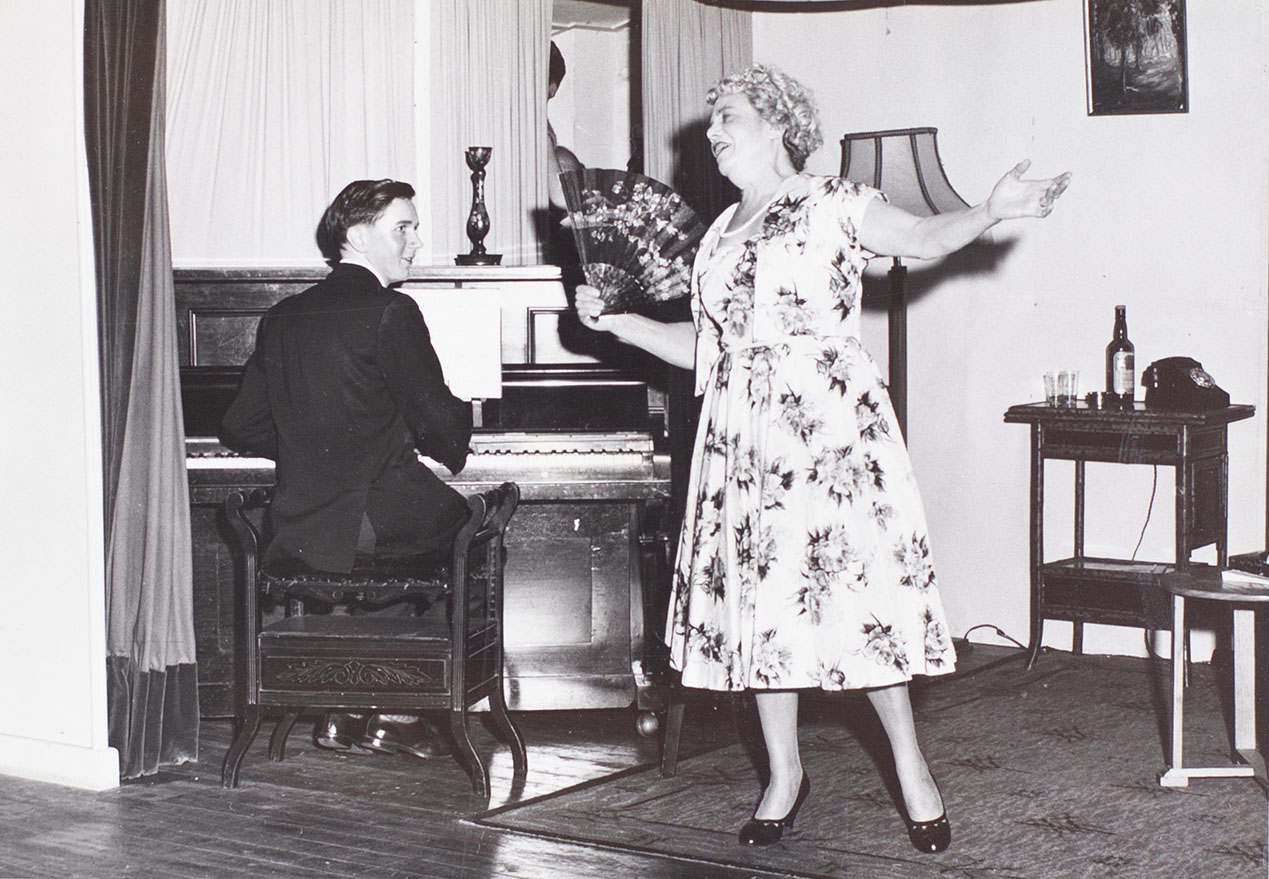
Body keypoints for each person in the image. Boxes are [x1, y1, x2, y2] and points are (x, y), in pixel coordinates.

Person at [574, 64, 1070, 854]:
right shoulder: (717, 233)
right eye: (713, 122)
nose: (713, 134)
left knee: (857, 591)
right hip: (740, 437)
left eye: (727, 117)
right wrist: (619, 325)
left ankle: (910, 767)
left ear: (776, 125)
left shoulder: (833, 200)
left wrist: (988, 210)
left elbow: (920, 237)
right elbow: (706, 349)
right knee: (762, 604)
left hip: (827, 432)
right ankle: (782, 771)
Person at [222, 178, 474, 759]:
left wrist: (313, 448)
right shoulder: (392, 310)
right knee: (470, 534)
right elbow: (440, 426)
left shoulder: (282, 317)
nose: (415, 242)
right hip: (372, 515)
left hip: (305, 522)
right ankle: (398, 713)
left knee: (390, 550)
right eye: (403, 228)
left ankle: (342, 711)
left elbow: (240, 423)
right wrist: (457, 426)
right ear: (359, 235)